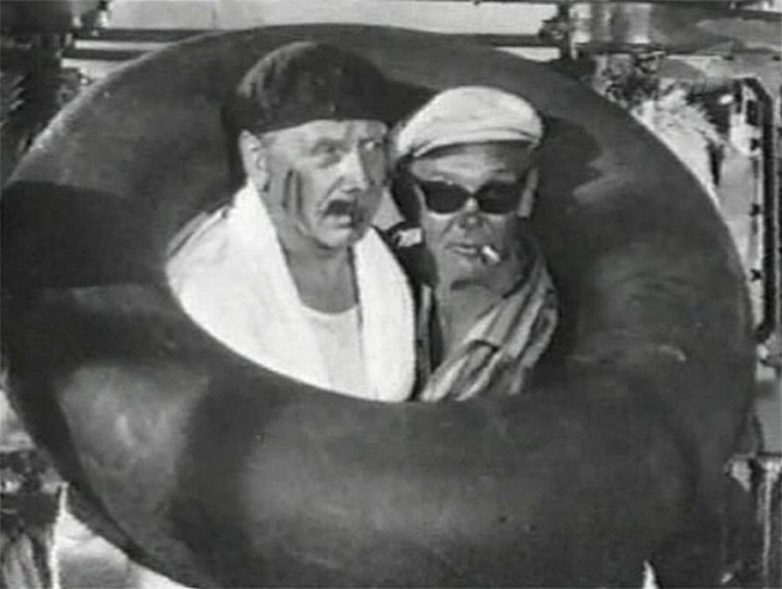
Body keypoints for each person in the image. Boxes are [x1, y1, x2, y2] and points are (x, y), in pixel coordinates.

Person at [166, 41, 415, 403]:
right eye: (328, 151)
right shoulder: (207, 289)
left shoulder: (384, 266)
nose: (360, 178)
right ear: (258, 159)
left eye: (372, 147)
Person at [391, 86, 558, 402]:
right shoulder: (376, 273)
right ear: (412, 197)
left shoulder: (558, 329)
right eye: (445, 194)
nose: (469, 218)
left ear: (526, 194)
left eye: (495, 195)